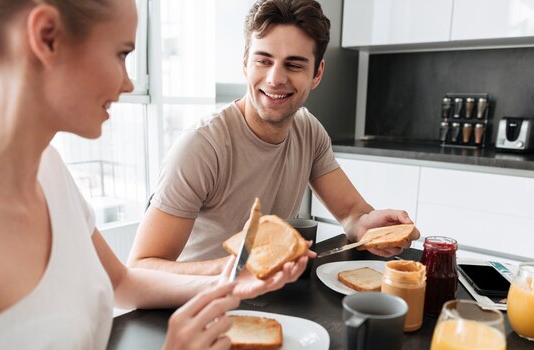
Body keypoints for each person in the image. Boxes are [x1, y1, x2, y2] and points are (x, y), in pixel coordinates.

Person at [0, 1, 309, 350]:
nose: (127, 82)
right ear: (46, 36)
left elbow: (123, 282)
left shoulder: (49, 171)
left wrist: (229, 283)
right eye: (122, 54)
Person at [128, 0, 420, 275]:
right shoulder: (201, 146)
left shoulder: (309, 131)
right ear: (245, 62)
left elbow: (352, 213)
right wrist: (235, 268)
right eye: (263, 61)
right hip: (194, 308)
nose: (275, 79)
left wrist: (369, 226)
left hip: (266, 298)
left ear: (317, 73)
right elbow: (141, 266)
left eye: (293, 65)